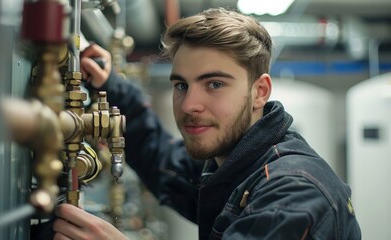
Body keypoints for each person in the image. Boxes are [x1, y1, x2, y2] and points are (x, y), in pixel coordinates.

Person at [53, 7, 361, 240]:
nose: (189, 105)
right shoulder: (235, 164)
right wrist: (111, 85)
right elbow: (162, 159)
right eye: (181, 86)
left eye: (214, 84)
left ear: (260, 91)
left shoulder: (292, 194)